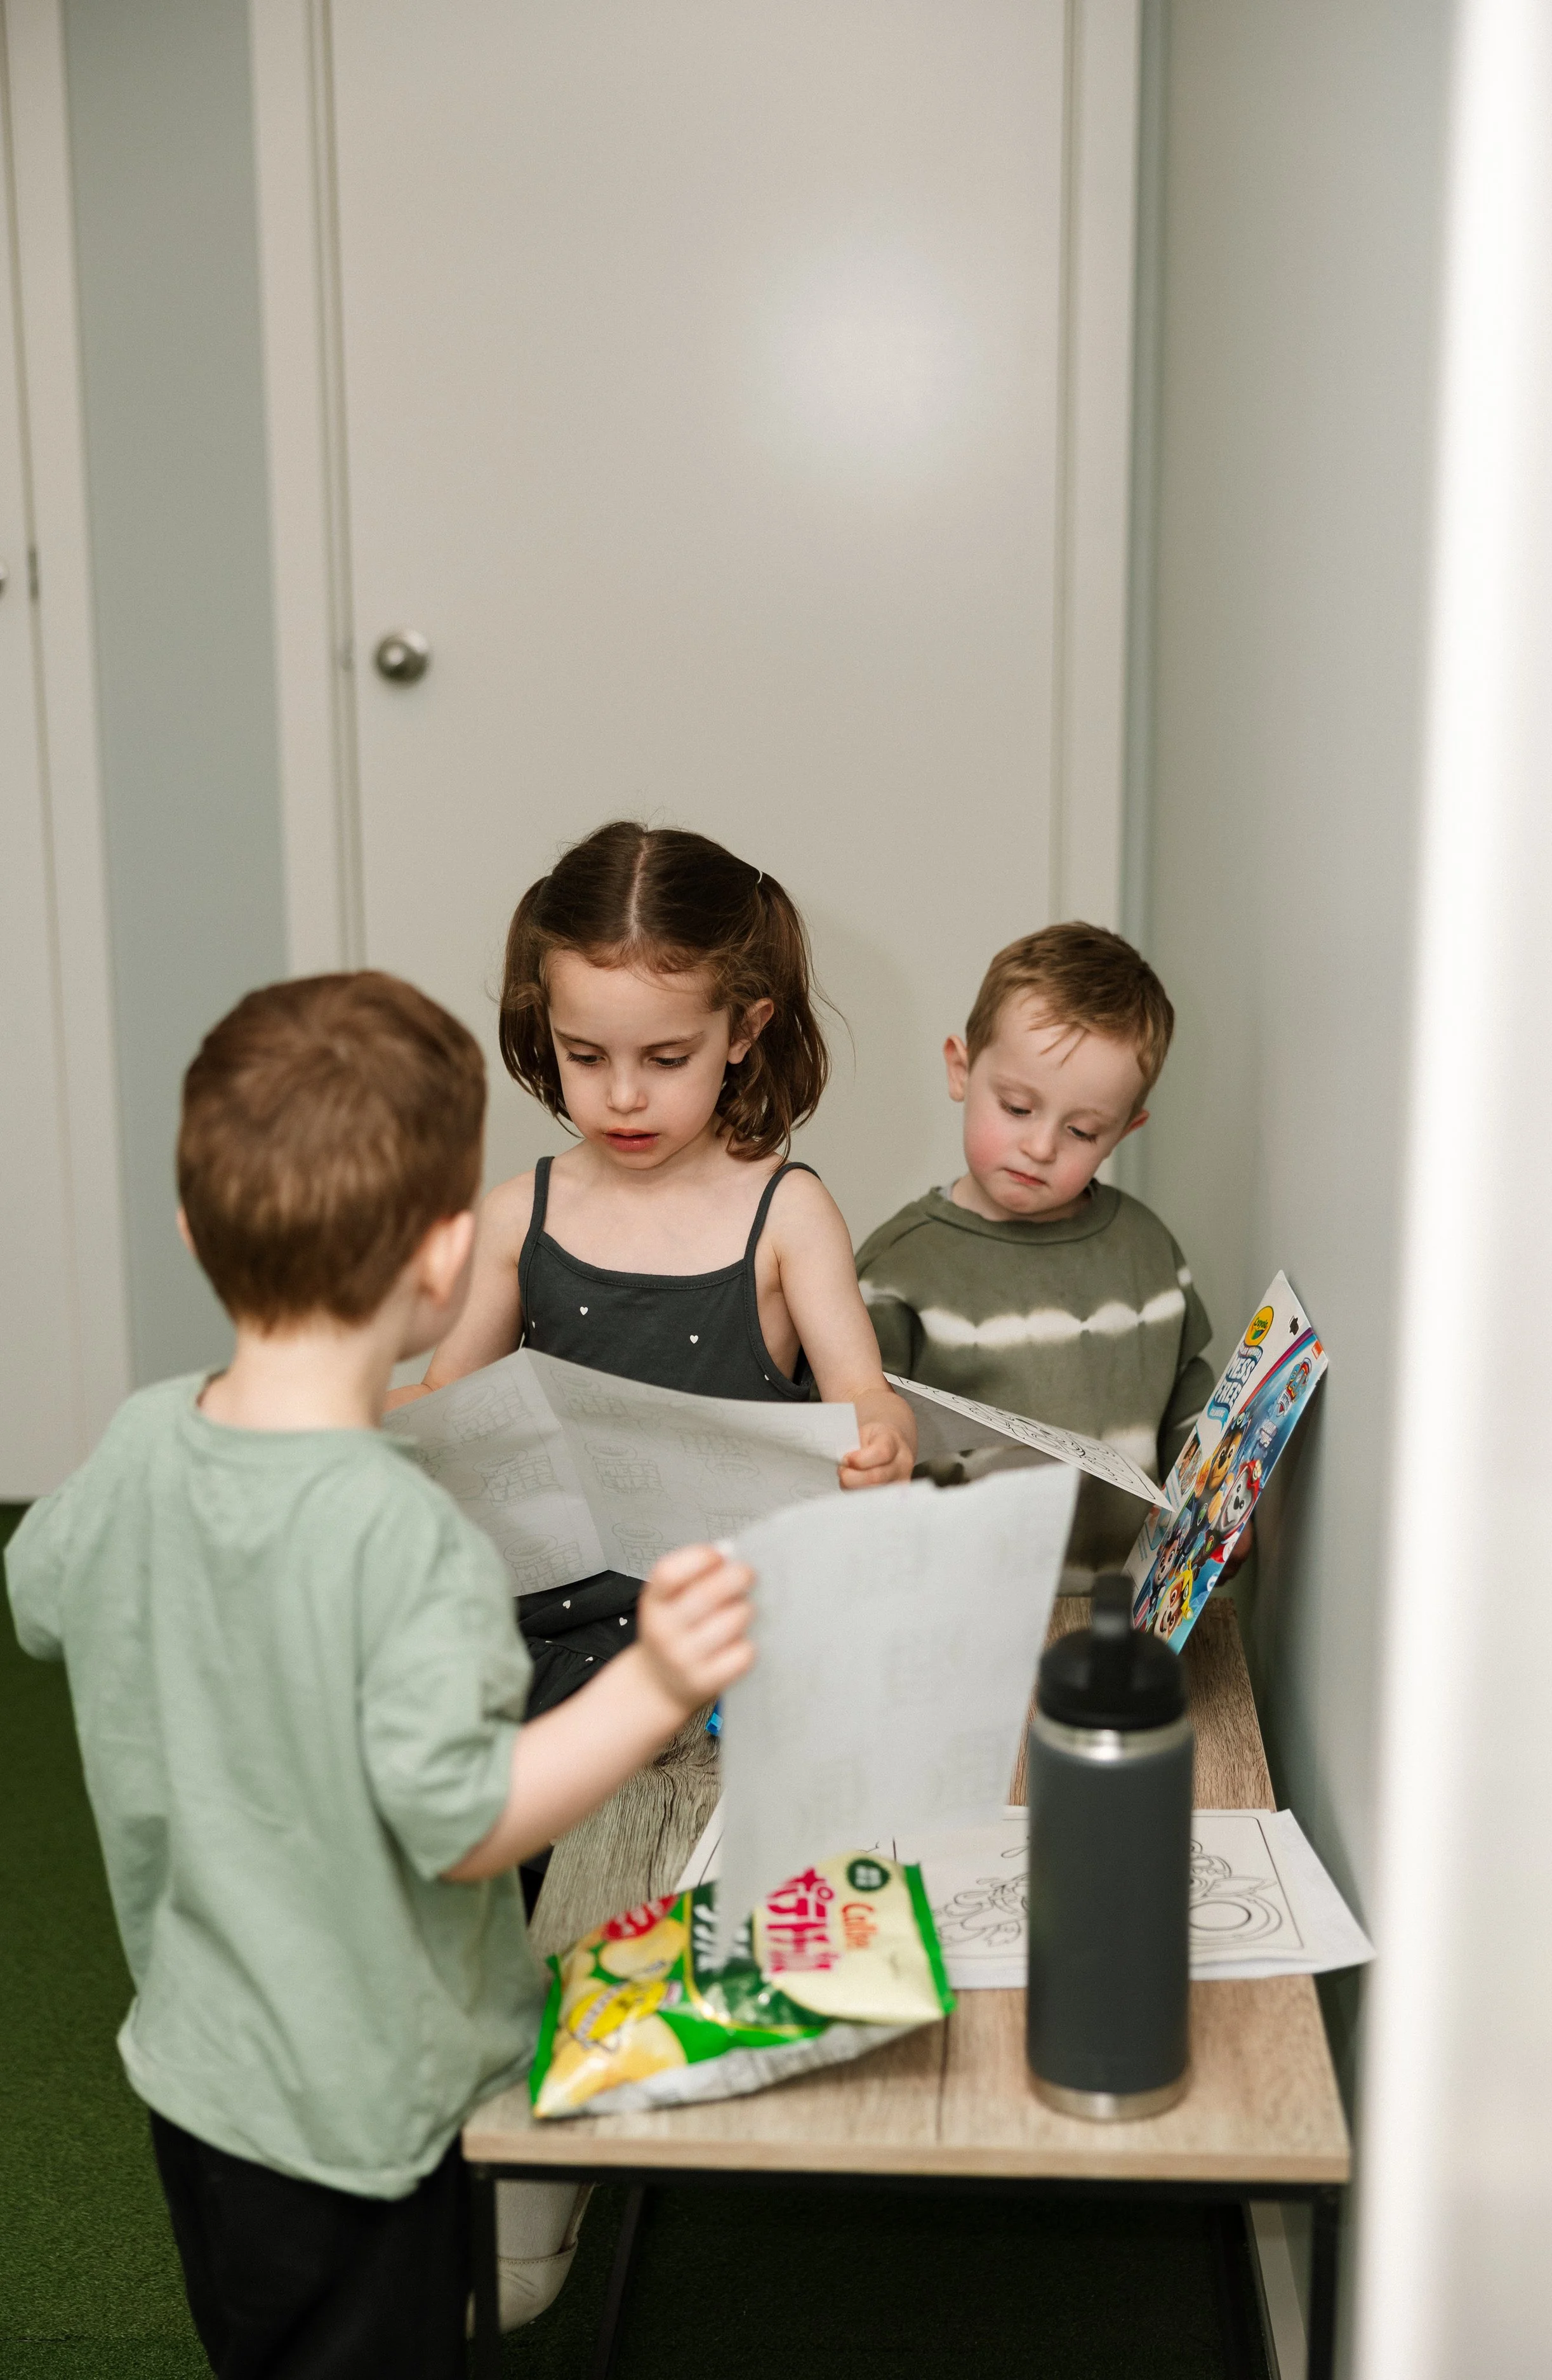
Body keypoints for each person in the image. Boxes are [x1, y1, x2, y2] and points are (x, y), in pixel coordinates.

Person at [4, 973, 755, 2379]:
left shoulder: (141, 1436)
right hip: (368, 2109)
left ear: (193, 1228)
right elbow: (463, 1818)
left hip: (196, 2066)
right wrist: (650, 1687)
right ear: (441, 1259)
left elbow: (40, 1594)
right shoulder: (409, 1540)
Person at [393, 819, 916, 1716]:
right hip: (548, 1632)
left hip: (737, 1628)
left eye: (667, 1059)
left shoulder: (786, 1214)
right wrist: (326, 1402)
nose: (623, 1095)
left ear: (744, 1032)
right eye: (584, 1056)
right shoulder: (521, 1214)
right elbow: (448, 1404)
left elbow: (862, 1392)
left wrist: (884, 1437)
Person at [855, 922, 1215, 1592]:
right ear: (961, 1070)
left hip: (1120, 1603)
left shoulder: (1145, 1248)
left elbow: (1188, 1394)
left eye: (1081, 1130)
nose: (1041, 1146)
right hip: (960, 1604)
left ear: (1124, 1130)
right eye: (1017, 1107)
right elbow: (860, 1437)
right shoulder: (900, 1266)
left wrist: (1215, 1509)